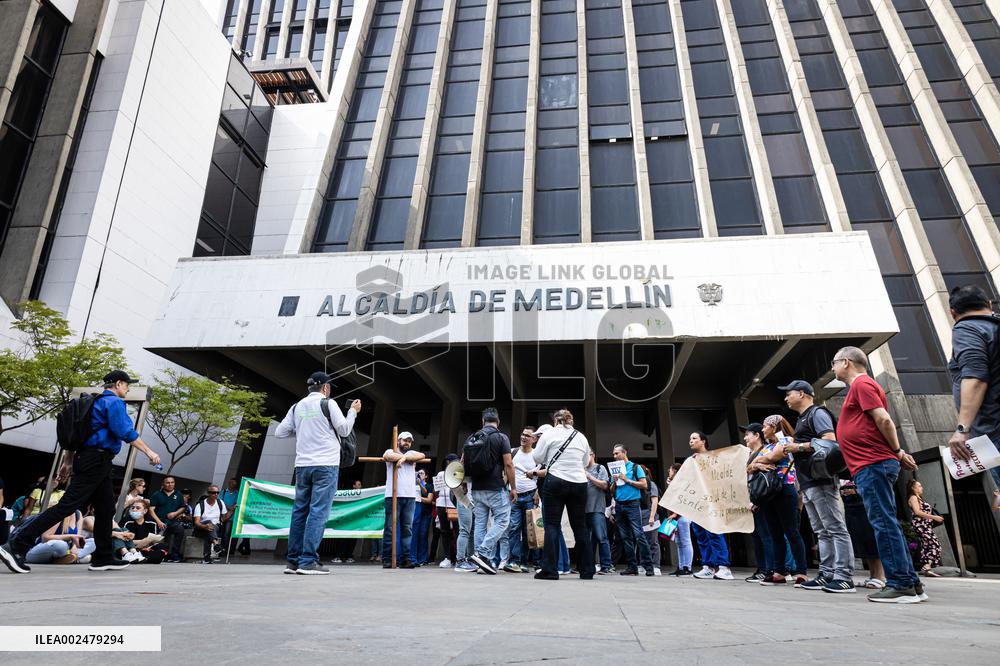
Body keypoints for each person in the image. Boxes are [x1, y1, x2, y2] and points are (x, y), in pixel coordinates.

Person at [1, 371, 161, 574]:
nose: (128, 389)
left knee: (105, 510)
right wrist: (149, 451)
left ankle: (103, 557)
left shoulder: (92, 402)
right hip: (96, 460)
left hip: (91, 460)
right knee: (66, 506)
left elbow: (76, 436)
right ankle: (16, 545)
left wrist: (68, 461)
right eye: (127, 385)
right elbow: (125, 432)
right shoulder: (113, 403)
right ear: (119, 383)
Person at [831, 346, 923, 603]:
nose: (832, 368)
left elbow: (884, 420)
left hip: (872, 464)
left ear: (846, 362)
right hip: (871, 464)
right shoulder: (861, 386)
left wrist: (897, 450)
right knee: (887, 522)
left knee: (883, 523)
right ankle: (911, 583)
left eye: (834, 363)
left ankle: (901, 584)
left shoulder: (861, 384)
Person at [276, 371, 360, 575]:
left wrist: (305, 428)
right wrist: (353, 411)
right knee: (318, 512)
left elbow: (280, 432)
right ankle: (308, 561)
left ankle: (293, 561)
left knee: (299, 512)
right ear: (325, 388)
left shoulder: (297, 406)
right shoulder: (328, 403)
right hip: (325, 465)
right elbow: (344, 430)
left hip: (302, 465)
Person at [779, 379, 854, 592]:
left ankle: (844, 576)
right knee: (821, 530)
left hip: (821, 479)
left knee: (835, 527)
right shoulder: (803, 418)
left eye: (789, 393)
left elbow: (830, 442)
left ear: (802, 394)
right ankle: (826, 573)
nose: (786, 398)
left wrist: (798, 446)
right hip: (809, 482)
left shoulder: (817, 414)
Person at [945, 285, 1000, 494]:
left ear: (953, 312)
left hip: (994, 429)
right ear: (988, 304)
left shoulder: (967, 328)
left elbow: (976, 377)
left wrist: (962, 429)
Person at [531, 409, 594, 580]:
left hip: (556, 480)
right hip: (579, 483)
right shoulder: (581, 437)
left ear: (556, 421)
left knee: (552, 525)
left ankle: (550, 570)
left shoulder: (550, 434)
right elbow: (586, 462)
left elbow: (537, 457)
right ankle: (587, 570)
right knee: (580, 526)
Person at [752, 416, 810, 587]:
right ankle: (779, 572)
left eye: (765, 426)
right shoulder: (766, 446)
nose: (763, 430)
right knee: (775, 533)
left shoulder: (787, 440)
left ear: (774, 426)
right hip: (769, 493)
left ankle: (801, 572)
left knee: (791, 532)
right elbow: (749, 465)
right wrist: (757, 464)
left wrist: (759, 461)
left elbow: (774, 456)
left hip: (785, 489)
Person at [465, 407, 516, 575]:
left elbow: (462, 462)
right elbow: (508, 464)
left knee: (480, 524)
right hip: (495, 487)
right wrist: (513, 488)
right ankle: (483, 554)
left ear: (483, 421)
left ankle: (481, 564)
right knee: (502, 521)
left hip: (477, 488)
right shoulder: (501, 438)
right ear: (498, 422)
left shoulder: (472, 437)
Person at [686, 432, 734, 580]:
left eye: (694, 438)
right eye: (690, 439)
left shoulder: (714, 458)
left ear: (703, 441)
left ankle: (724, 567)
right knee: (700, 534)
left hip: (712, 501)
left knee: (714, 532)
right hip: (697, 502)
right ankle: (708, 566)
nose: (691, 441)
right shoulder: (691, 460)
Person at [381, 431, 426, 569]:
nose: (407, 443)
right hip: (392, 495)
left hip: (410, 496)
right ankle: (387, 558)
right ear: (398, 441)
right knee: (390, 528)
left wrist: (404, 459)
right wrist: (401, 458)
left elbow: (423, 455)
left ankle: (405, 558)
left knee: (407, 528)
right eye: (404, 440)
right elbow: (386, 456)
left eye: (409, 441)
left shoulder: (411, 454)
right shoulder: (391, 451)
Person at [610, 444, 655, 577]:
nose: (615, 456)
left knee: (639, 535)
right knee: (625, 537)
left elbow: (644, 484)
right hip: (619, 505)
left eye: (617, 453)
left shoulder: (635, 467)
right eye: (613, 454)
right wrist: (614, 481)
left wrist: (627, 480)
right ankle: (632, 567)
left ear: (624, 453)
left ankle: (648, 567)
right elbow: (611, 491)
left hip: (633, 504)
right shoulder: (614, 469)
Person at [743, 423, 775, 583]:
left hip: (762, 498)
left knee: (765, 535)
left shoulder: (768, 450)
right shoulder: (750, 453)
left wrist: (753, 466)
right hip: (752, 499)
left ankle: (770, 569)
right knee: (757, 536)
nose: (745, 438)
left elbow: (768, 471)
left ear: (757, 435)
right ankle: (762, 568)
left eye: (747, 434)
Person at [506, 427, 540, 573]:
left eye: (527, 435)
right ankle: (514, 561)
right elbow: (506, 470)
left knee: (528, 530)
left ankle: (525, 562)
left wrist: (538, 493)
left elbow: (541, 475)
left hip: (530, 495)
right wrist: (506, 487)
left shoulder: (537, 456)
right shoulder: (513, 452)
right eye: (522, 434)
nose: (524, 437)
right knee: (513, 528)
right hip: (515, 496)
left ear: (534, 439)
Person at [840, 479, 884, 589]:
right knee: (861, 539)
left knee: (871, 537)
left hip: (863, 502)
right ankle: (873, 575)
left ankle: (880, 576)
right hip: (850, 504)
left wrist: (857, 490)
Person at [22, 509, 97, 565]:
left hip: (63, 551)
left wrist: (74, 546)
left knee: (95, 541)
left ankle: (65, 558)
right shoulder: (59, 511)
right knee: (60, 544)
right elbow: (45, 537)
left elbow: (78, 537)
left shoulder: (78, 513)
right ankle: (74, 558)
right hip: (40, 550)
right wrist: (70, 536)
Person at [584, 448, 614, 574]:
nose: (585, 458)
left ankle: (606, 565)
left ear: (593, 455)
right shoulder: (579, 469)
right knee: (585, 539)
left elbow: (605, 485)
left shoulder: (599, 468)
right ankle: (586, 565)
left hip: (597, 509)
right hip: (582, 510)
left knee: (601, 537)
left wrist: (589, 476)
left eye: (587, 455)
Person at [906, 480, 944, 576]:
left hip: (926, 525)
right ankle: (926, 566)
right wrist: (934, 517)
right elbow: (917, 512)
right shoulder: (913, 497)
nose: (921, 487)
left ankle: (927, 567)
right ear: (913, 488)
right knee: (935, 544)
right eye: (919, 486)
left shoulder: (920, 498)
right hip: (920, 525)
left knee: (927, 545)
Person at [149, 477, 187, 563]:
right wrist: (158, 521)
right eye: (168, 483)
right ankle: (160, 554)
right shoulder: (157, 494)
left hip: (172, 522)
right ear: (163, 484)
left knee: (180, 529)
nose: (170, 484)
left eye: (172, 482)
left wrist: (175, 513)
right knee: (160, 538)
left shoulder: (178, 494)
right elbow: (151, 510)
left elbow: (183, 507)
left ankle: (174, 555)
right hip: (159, 521)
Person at [665, 463, 693, 576]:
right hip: (677, 515)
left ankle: (687, 566)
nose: (669, 472)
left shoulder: (682, 482)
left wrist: (675, 514)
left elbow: (681, 499)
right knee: (680, 542)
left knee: (685, 541)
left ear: (676, 471)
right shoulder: (674, 483)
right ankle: (681, 566)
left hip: (683, 515)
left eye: (670, 470)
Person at [433, 455, 459, 568]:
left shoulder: (459, 473)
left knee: (458, 531)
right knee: (444, 531)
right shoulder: (441, 474)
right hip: (442, 503)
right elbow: (436, 491)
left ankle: (459, 557)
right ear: (448, 462)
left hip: (455, 503)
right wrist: (439, 484)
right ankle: (447, 557)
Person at [122, 499, 167, 564]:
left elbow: (154, 540)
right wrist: (141, 542)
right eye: (133, 507)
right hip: (131, 547)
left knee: (162, 546)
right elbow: (123, 540)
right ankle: (143, 557)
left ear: (145, 511)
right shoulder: (126, 521)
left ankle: (142, 557)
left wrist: (148, 542)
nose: (134, 509)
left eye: (138, 508)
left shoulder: (152, 522)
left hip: (146, 548)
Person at [193, 485, 227, 564]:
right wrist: (205, 526)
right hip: (201, 528)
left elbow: (224, 518)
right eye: (213, 493)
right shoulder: (200, 505)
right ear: (208, 493)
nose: (216, 494)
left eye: (217, 493)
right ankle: (216, 545)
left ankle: (207, 557)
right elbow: (197, 522)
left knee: (210, 529)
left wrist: (232, 510)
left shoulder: (220, 503)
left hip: (215, 528)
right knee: (209, 523)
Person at [334, 479, 364, 564]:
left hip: (355, 521)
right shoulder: (347, 495)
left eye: (360, 484)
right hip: (346, 521)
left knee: (353, 539)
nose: (360, 486)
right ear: (353, 486)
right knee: (342, 538)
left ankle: (349, 556)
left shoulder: (363, 496)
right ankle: (338, 556)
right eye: (358, 484)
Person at [639, 464, 662, 576]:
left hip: (650, 516)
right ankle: (644, 564)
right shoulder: (638, 485)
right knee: (643, 543)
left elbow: (654, 501)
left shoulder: (651, 484)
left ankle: (655, 565)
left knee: (653, 542)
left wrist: (652, 516)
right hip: (640, 517)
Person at [413, 469, 434, 566]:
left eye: (422, 473)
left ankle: (423, 558)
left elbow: (429, 500)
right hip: (416, 513)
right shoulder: (414, 486)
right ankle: (414, 557)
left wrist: (417, 498)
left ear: (426, 476)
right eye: (418, 473)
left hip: (425, 514)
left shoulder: (429, 486)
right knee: (415, 535)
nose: (419, 475)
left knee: (423, 534)